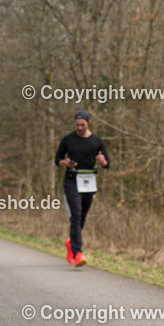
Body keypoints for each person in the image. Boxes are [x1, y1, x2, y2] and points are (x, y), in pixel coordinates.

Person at [54, 111, 109, 267]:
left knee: (82, 216)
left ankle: (71, 242)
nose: (79, 128)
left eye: (82, 125)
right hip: (72, 180)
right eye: (77, 124)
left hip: (89, 181)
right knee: (76, 214)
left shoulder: (97, 141)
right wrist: (66, 163)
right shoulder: (68, 139)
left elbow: (107, 163)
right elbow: (57, 159)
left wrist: (103, 161)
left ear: (89, 123)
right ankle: (78, 253)